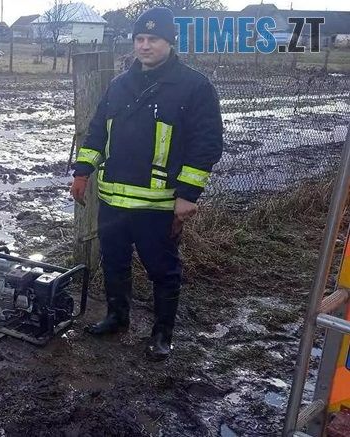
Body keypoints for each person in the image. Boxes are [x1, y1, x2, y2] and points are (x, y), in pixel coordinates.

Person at [70, 7, 223, 361]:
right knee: (114, 262)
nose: (144, 46)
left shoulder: (193, 86)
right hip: (113, 200)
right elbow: (96, 133)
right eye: (139, 39)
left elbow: (207, 144)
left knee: (162, 270)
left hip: (158, 204)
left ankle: (162, 333)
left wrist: (187, 195)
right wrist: (82, 172)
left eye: (152, 39)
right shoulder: (119, 84)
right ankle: (116, 317)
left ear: (169, 42)